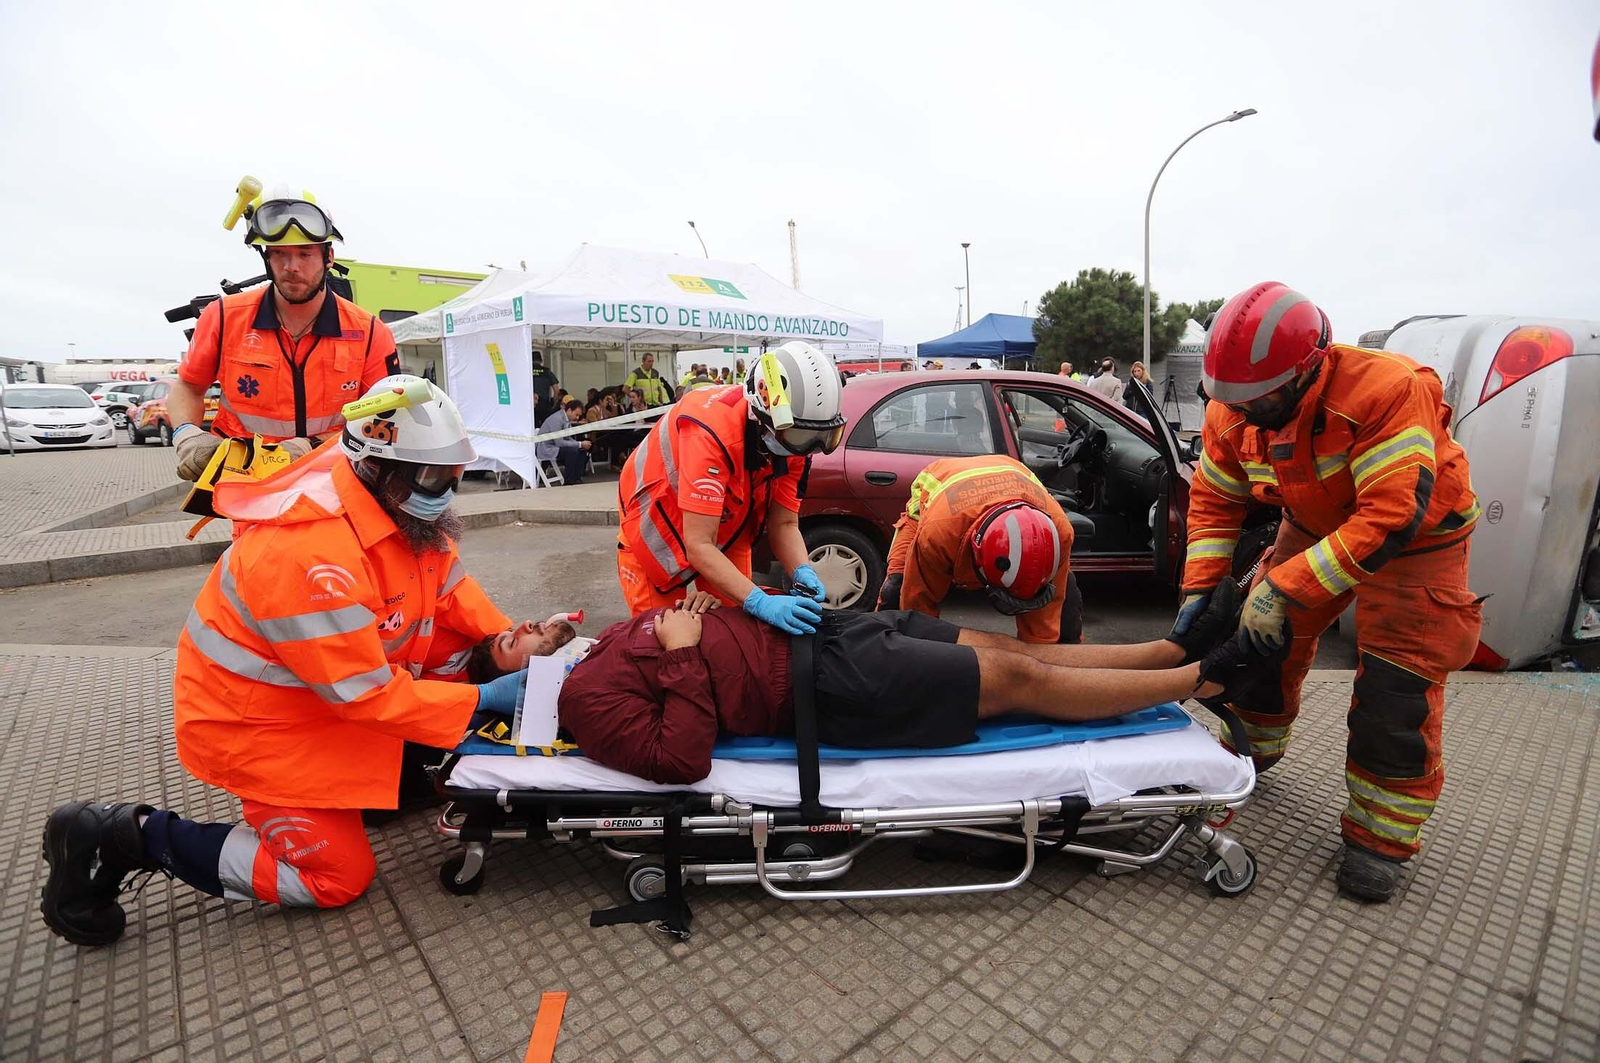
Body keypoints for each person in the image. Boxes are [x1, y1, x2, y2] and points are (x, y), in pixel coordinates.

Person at [40, 376, 527, 947]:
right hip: (261, 730)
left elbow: (452, 598)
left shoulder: (397, 511)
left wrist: (515, 644)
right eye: (431, 476)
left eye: (453, 474)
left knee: (454, 658)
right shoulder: (309, 551)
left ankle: (373, 784)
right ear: (373, 464)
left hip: (318, 706)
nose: (446, 489)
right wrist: (481, 698)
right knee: (337, 877)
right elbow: (364, 695)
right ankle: (125, 836)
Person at [1176, 281, 1482, 903]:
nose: (1240, 413)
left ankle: (1379, 837)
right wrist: (1202, 591)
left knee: (1397, 686)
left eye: (1255, 401)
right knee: (1258, 644)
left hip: (1419, 540)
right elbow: (1214, 501)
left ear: (1307, 371)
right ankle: (1250, 751)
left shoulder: (1386, 390)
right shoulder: (1233, 408)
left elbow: (1390, 516)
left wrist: (1283, 587)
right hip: (1314, 524)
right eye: (1229, 400)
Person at [552, 582, 1265, 785]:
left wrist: (724, 605)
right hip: (822, 683)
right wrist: (680, 651)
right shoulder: (583, 700)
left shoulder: (600, 646)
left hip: (826, 632)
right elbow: (682, 757)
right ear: (510, 671)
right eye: (502, 640)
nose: (520, 624)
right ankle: (1201, 681)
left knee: (1001, 645)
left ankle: (1168, 649)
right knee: (1016, 675)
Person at [172, 181, 401, 482]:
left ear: (328, 258)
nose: (292, 267)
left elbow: (384, 417)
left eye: (305, 254)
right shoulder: (223, 318)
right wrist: (187, 435)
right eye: (280, 254)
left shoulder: (370, 332)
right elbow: (188, 387)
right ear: (267, 257)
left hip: (334, 479)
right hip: (246, 483)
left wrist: (312, 447)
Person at [615, 342, 846, 632]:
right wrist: (760, 601)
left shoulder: (792, 442)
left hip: (726, 527)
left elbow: (785, 523)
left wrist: (802, 570)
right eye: (801, 435)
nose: (808, 447)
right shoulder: (709, 431)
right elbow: (698, 545)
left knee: (735, 633)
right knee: (661, 638)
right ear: (762, 418)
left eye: (821, 435)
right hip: (655, 532)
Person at [879, 455, 1082, 643]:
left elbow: (1047, 617)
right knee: (897, 592)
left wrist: (1044, 668)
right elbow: (919, 605)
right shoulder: (938, 534)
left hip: (1005, 480)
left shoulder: (1060, 530)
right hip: (932, 511)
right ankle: (880, 651)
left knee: (1066, 601)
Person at [537, 397, 593, 484]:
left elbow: (567, 438)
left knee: (582, 450)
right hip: (547, 448)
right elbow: (559, 442)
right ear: (569, 410)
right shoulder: (557, 419)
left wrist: (581, 444)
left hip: (555, 445)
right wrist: (579, 444)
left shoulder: (566, 419)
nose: (577, 418)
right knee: (572, 451)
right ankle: (569, 481)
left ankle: (577, 478)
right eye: (576, 415)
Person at [531, 353, 559, 426]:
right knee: (544, 427)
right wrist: (554, 404)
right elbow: (556, 390)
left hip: (529, 405)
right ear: (541, 361)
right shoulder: (547, 372)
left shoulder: (527, 371)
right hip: (544, 405)